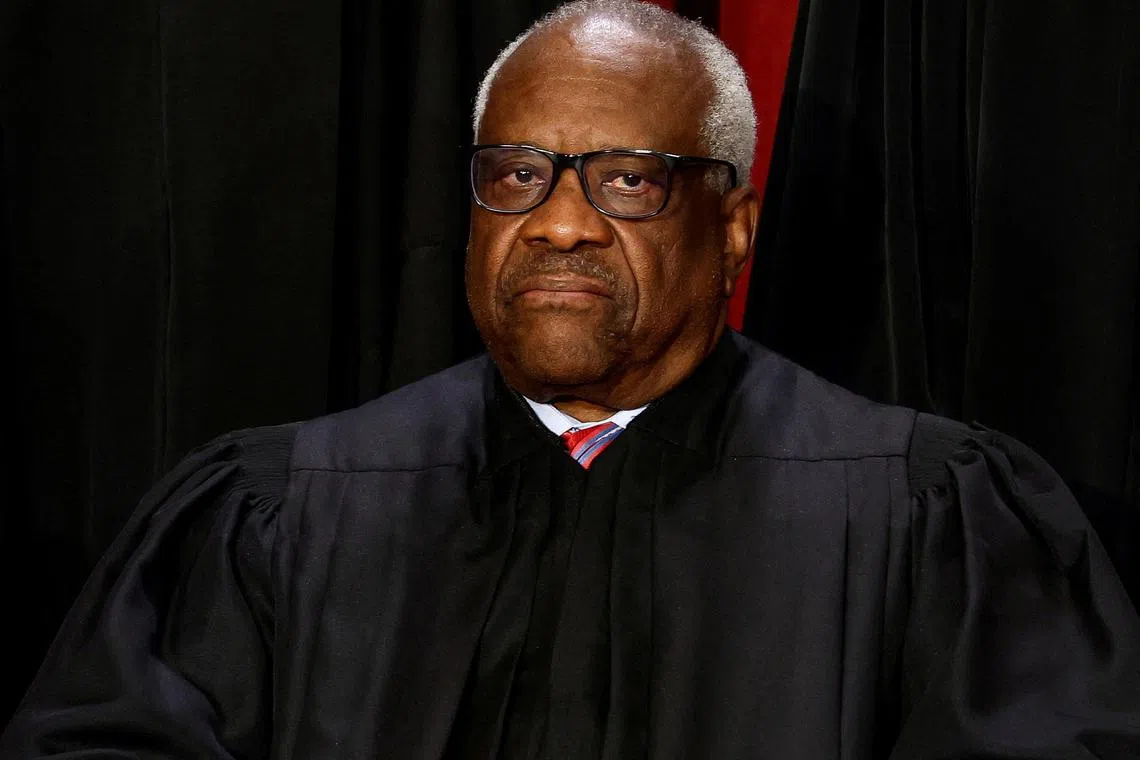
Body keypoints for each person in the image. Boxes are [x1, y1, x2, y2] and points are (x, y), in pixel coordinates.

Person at [4, 0, 1140, 757]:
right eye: (516, 173)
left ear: (734, 226)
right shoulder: (282, 511)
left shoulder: (922, 515)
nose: (556, 224)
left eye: (628, 180)